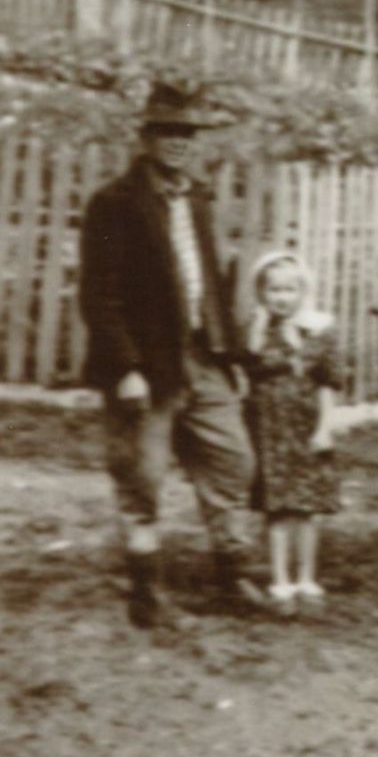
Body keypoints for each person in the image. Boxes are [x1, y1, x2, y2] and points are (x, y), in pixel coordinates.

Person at [80, 82, 261, 628]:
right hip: (147, 365)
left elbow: (212, 282)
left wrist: (229, 357)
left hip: (204, 357)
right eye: (168, 132)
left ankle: (232, 574)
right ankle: (146, 593)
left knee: (233, 460)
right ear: (146, 138)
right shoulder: (115, 203)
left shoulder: (197, 198)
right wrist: (126, 369)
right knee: (143, 476)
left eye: (187, 133)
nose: (179, 142)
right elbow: (99, 294)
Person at [241, 252, 347, 615]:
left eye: (289, 290)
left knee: (307, 507)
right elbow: (248, 365)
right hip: (270, 430)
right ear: (262, 292)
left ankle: (306, 579)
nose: (282, 298)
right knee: (278, 508)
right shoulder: (258, 330)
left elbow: (328, 383)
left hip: (306, 428)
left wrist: (324, 428)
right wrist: (259, 326)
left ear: (303, 291)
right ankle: (280, 581)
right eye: (274, 290)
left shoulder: (319, 329)